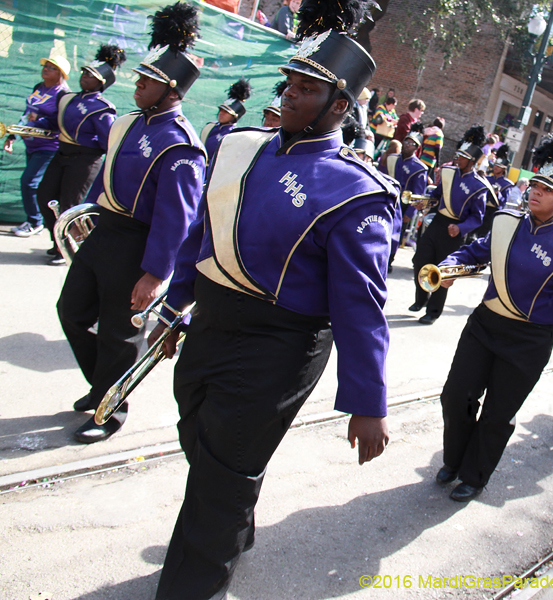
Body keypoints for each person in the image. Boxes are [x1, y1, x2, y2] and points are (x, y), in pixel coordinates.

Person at [147, 2, 394, 597]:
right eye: (290, 84)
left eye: (307, 89)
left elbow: (361, 308)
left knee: (221, 473)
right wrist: (175, 306)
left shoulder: (356, 192)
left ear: (340, 106)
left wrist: (368, 401)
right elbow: (203, 236)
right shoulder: (240, 146)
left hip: (279, 345)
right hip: (211, 320)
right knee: (200, 438)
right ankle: (235, 517)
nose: (289, 96)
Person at [56, 1, 207, 444]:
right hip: (104, 232)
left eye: (148, 82)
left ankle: (111, 409)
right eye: (140, 78)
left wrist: (156, 273)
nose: (137, 86)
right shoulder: (125, 123)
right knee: (72, 312)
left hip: (139, 245)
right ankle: (104, 386)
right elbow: (100, 184)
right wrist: (79, 219)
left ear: (172, 90)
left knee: (120, 334)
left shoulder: (181, 145)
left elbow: (175, 217)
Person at [435, 129, 553, 502]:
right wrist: (448, 266)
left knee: (496, 414)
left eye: (546, 189)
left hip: (527, 341)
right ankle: (454, 459)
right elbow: (475, 252)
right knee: (455, 397)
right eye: (534, 183)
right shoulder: (506, 222)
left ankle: (474, 476)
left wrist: (543, 320)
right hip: (485, 325)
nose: (535, 191)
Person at [36, 45, 125, 266]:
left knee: (69, 204)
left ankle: (68, 248)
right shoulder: (67, 98)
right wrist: (32, 125)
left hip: (85, 159)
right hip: (62, 153)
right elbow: (55, 122)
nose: (84, 77)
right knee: (45, 196)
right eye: (84, 72)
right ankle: (57, 240)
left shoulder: (102, 108)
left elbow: (107, 142)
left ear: (101, 82)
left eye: (90, 75)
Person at [410, 125, 489, 325]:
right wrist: (424, 202)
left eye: (462, 157)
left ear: (471, 161)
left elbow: (477, 217)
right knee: (420, 260)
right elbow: (436, 195)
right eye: (458, 155)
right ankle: (421, 299)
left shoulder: (479, 187)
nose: (457, 159)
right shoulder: (447, 173)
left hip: (455, 230)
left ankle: (433, 311)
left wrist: (461, 228)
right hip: (438, 222)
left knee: (442, 271)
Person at [4, 54, 71, 238]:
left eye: (51, 67)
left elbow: (58, 121)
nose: (46, 69)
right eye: (46, 66)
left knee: (29, 182)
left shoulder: (63, 94)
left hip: (48, 147)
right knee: (31, 183)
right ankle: (33, 220)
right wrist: (12, 135)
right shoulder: (38, 88)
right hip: (31, 144)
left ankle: (35, 222)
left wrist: (34, 125)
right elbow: (27, 114)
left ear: (61, 74)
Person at [383, 122, 427, 269]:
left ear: (417, 148)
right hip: (387, 200)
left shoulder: (419, 168)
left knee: (395, 235)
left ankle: (388, 261)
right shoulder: (393, 158)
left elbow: (418, 193)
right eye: (406, 141)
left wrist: (410, 212)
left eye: (412, 143)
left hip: (403, 206)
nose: (407, 145)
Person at [199, 78, 251, 158]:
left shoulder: (235, 134)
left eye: (226, 112)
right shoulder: (209, 127)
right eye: (221, 110)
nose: (221, 113)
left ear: (234, 116)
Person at [474, 144, 513, 239]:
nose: (496, 167)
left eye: (499, 166)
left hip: (492, 212)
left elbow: (503, 202)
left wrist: (497, 194)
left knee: (484, 236)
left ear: (503, 169)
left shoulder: (506, 184)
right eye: (495, 165)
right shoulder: (486, 178)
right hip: (480, 208)